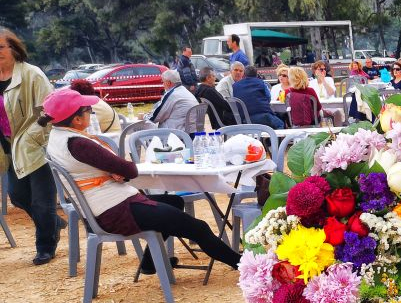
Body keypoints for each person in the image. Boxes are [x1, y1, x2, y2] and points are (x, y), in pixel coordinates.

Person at [41, 88, 240, 273]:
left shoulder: (56, 138)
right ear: (76, 119)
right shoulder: (80, 144)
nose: (91, 112)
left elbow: (107, 169)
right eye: (87, 110)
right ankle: (240, 264)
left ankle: (150, 262)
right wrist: (115, 170)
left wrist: (110, 171)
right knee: (199, 227)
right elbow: (129, 169)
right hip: (114, 210)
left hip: (101, 207)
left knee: (175, 202)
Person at [1, 28, 63, 265]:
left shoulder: (31, 75)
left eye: (0, 48)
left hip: (35, 146)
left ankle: (45, 245)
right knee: (17, 196)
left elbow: (47, 108)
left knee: (42, 200)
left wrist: (32, 136)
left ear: (14, 49)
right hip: (8, 147)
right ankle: (54, 224)